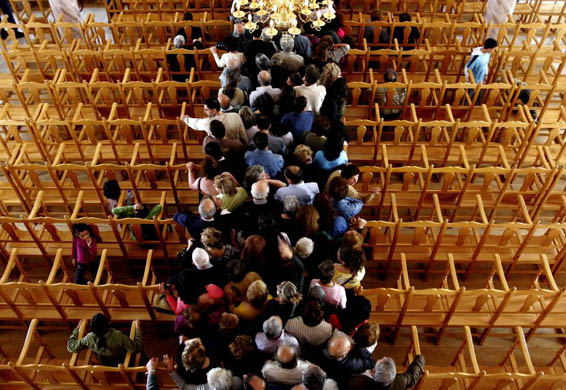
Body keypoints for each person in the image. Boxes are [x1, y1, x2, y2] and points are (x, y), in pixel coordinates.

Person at [67, 314, 143, 366]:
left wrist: (77, 329)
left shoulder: (89, 338)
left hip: (105, 363)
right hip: (121, 360)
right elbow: (136, 348)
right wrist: (138, 329)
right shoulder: (118, 335)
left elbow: (71, 347)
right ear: (108, 323)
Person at [182, 97, 248, 146]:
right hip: (236, 147)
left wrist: (185, 119)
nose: (204, 112)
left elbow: (196, 124)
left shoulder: (207, 123)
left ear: (214, 111)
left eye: (206, 110)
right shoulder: (235, 116)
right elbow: (243, 135)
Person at [345, 355, 425, 390]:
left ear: (373, 372)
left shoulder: (357, 382)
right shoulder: (400, 381)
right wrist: (420, 358)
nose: (384, 357)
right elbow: (412, 376)